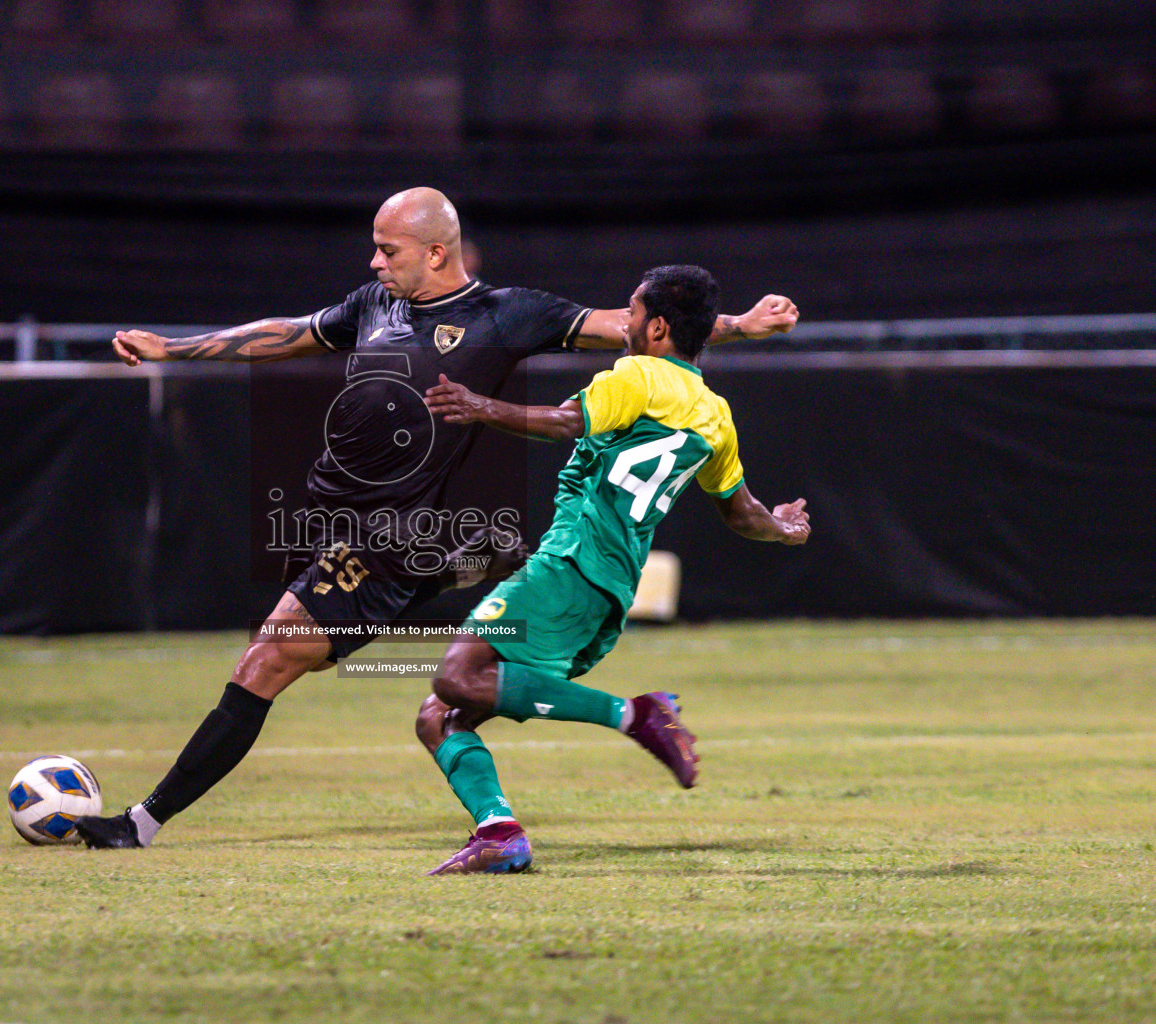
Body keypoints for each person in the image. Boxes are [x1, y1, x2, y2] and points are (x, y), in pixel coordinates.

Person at [76, 190, 799, 850]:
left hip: (380, 543)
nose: (374, 261)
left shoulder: (506, 313)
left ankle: (140, 825)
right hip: (364, 529)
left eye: (388, 250)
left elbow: (634, 330)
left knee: (263, 665)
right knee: (433, 707)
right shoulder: (373, 305)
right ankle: (484, 566)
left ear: (436, 252)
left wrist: (737, 326)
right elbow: (292, 331)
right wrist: (175, 348)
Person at [415, 264, 811, 875]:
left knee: (456, 678)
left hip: (570, 567)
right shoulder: (714, 413)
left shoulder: (636, 376)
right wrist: (784, 527)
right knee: (439, 718)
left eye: (629, 311)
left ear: (655, 327)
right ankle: (500, 833)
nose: (621, 324)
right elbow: (742, 513)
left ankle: (636, 715)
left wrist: (478, 405)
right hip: (607, 593)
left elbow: (567, 421)